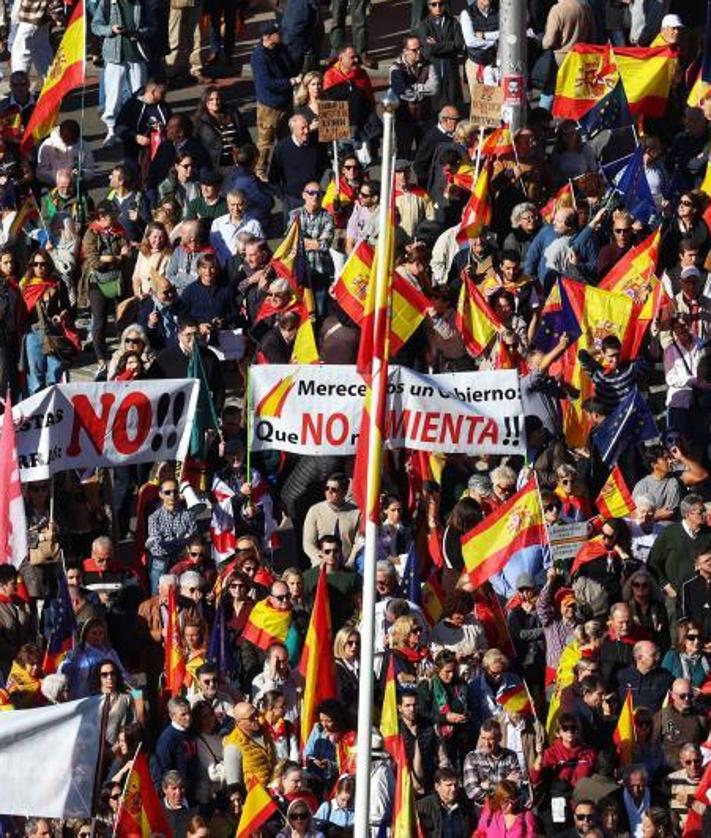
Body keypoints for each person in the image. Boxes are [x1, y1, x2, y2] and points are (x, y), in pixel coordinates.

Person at [91, 0, 154, 149]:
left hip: (137, 56)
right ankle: (111, 131)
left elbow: (153, 27)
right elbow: (95, 26)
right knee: (113, 97)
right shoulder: (107, 3)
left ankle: (137, 129)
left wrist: (139, 33)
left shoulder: (143, 4)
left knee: (139, 96)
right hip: (113, 58)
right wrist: (110, 30)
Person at [250, 21, 300, 181]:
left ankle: (285, 166)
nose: (281, 35)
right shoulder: (258, 57)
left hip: (285, 102)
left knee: (286, 138)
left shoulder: (281, 49)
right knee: (265, 141)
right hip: (269, 106)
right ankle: (260, 169)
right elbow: (267, 83)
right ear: (267, 37)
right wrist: (290, 82)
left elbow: (290, 66)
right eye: (277, 33)